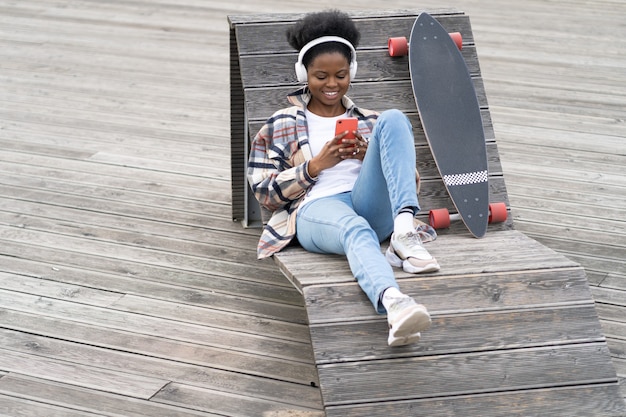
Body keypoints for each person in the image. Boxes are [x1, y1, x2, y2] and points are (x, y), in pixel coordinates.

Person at [247, 9, 440, 347]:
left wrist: (370, 156)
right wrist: (314, 166)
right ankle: (396, 304)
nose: (332, 84)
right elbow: (265, 192)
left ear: (352, 71)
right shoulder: (281, 123)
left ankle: (404, 231)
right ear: (303, 73)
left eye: (340, 75)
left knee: (394, 118)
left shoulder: (370, 120)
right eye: (321, 75)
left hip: (368, 201)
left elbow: (410, 182)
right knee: (356, 229)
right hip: (317, 209)